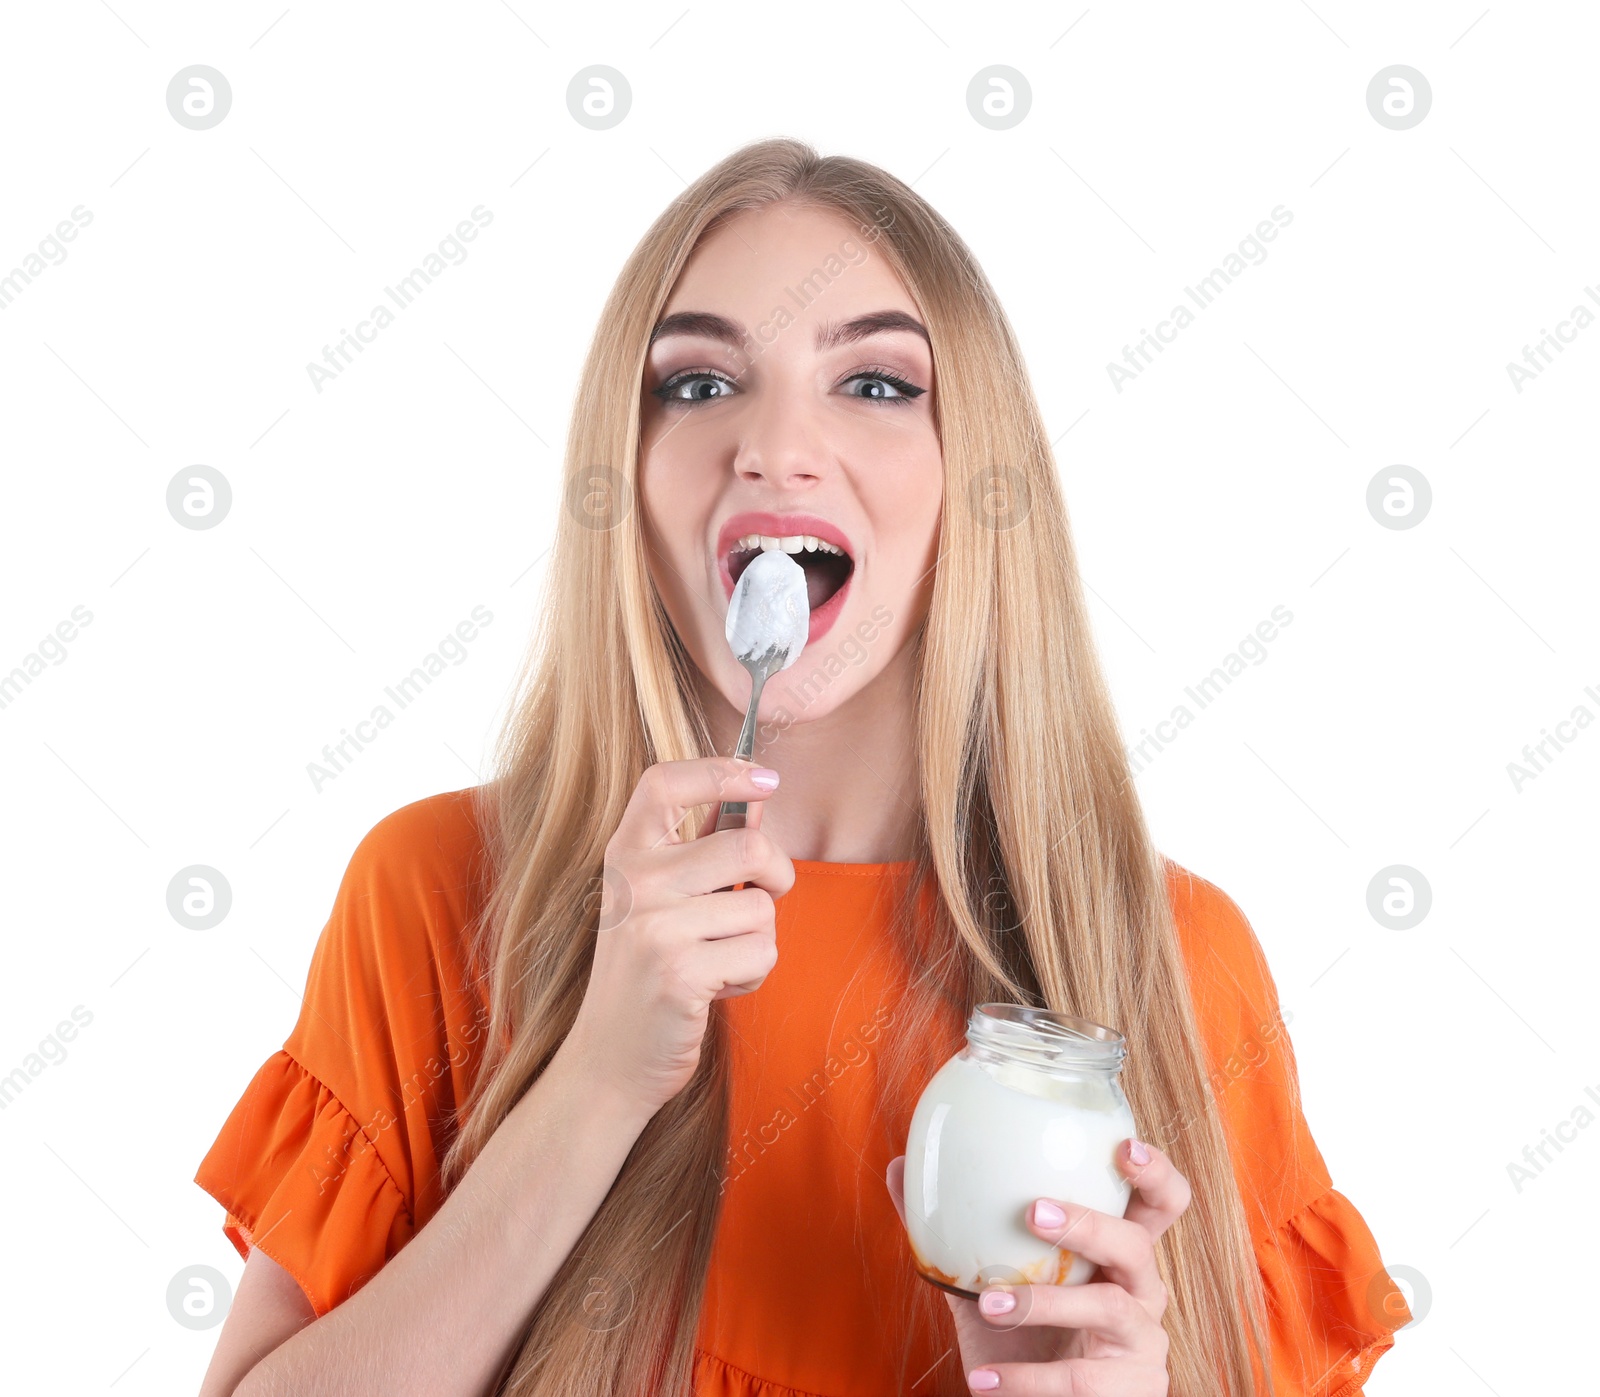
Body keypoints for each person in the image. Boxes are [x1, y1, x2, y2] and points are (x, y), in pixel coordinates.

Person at [194, 138, 1411, 1397]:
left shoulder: (1167, 963)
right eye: (700, 382)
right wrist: (600, 1078)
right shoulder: (443, 891)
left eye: (877, 385)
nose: (774, 447)